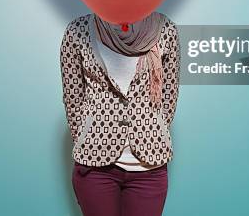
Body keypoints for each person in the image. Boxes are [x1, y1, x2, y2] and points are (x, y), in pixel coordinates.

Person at [60, 11, 180, 216]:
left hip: (149, 168)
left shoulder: (165, 29)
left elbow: (169, 94)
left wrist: (152, 129)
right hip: (95, 165)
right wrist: (86, 136)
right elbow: (73, 97)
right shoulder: (77, 31)